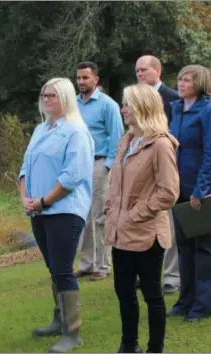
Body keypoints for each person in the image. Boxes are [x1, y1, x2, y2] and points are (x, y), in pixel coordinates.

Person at [19, 77, 94, 353]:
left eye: (53, 95)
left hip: (64, 210)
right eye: (44, 95)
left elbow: (72, 176)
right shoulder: (40, 129)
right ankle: (59, 318)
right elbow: (24, 168)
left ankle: (73, 333)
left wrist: (43, 201)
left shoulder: (76, 131)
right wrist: (26, 199)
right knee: (53, 268)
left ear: (66, 99)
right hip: (39, 211)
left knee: (63, 270)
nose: (47, 99)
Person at [104, 83, 179, 353]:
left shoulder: (160, 143)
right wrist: (111, 209)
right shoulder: (126, 140)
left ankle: (155, 349)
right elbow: (116, 182)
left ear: (143, 108)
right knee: (123, 292)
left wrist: (135, 213)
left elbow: (169, 192)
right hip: (120, 232)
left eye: (127, 105)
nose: (123, 109)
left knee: (152, 294)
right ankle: (128, 345)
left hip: (147, 234)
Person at [168, 65, 211, 322]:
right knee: (184, 248)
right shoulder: (177, 109)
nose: (181, 83)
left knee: (203, 249)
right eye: (180, 79)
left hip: (202, 190)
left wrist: (200, 192)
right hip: (178, 188)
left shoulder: (209, 111)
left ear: (199, 83)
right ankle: (185, 300)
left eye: (187, 80)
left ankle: (203, 306)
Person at [73, 61, 124, 281]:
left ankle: (103, 265)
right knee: (81, 216)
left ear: (96, 79)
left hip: (99, 163)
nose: (81, 82)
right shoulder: (72, 104)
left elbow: (118, 136)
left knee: (100, 215)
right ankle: (86, 263)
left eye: (85, 77)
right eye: (78, 78)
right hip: (77, 166)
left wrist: (108, 166)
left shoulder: (108, 105)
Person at [135, 55, 181, 294]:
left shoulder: (173, 99)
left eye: (143, 70)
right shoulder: (136, 100)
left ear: (157, 71)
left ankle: (172, 277)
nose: (139, 74)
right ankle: (149, 273)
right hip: (142, 170)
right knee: (148, 221)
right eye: (137, 71)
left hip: (165, 166)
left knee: (168, 223)